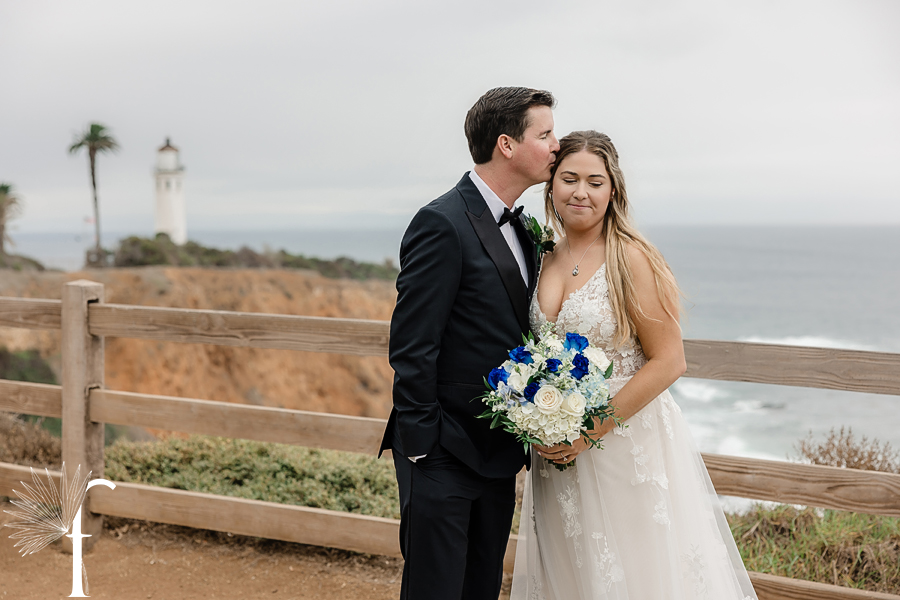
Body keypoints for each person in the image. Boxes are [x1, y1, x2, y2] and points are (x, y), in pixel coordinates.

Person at [510, 131, 758, 599]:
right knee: (573, 572)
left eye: (595, 181)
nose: (580, 192)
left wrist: (589, 432)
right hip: (557, 456)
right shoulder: (544, 254)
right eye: (569, 179)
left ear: (613, 190)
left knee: (636, 573)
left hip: (622, 446)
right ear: (551, 186)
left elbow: (669, 361)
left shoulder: (631, 258)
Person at [379, 87, 560, 600]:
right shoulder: (442, 222)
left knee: (480, 587)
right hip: (443, 452)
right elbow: (413, 343)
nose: (556, 144)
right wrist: (421, 446)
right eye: (544, 134)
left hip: (498, 451)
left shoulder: (524, 228)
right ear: (507, 144)